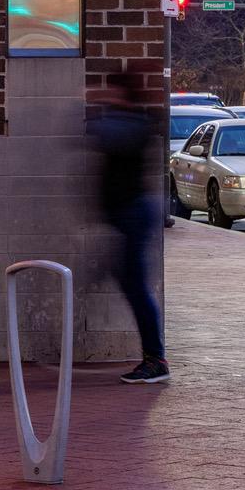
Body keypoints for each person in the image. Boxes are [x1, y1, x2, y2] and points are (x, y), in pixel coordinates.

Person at [88, 70, 168, 384]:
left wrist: (95, 105)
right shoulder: (127, 122)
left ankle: (155, 360)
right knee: (130, 282)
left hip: (134, 214)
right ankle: (154, 357)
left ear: (122, 94)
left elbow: (106, 135)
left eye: (111, 91)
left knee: (137, 288)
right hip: (127, 216)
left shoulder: (134, 124)